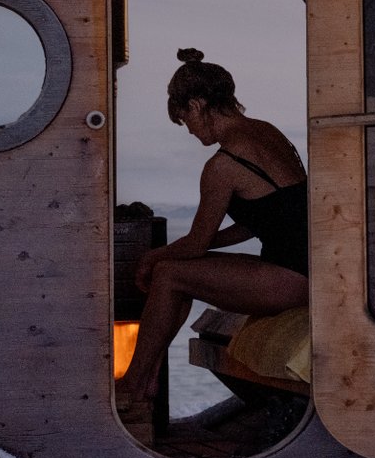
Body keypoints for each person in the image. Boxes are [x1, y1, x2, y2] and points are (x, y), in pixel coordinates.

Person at [116, 49, 309, 422]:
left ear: (197, 104)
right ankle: (148, 377)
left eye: (185, 118)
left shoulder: (224, 165)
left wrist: (151, 258)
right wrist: (184, 253)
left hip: (290, 280)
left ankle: (132, 386)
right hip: (299, 271)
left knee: (171, 274)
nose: (189, 129)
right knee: (177, 272)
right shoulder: (268, 133)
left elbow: (196, 244)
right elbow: (260, 222)